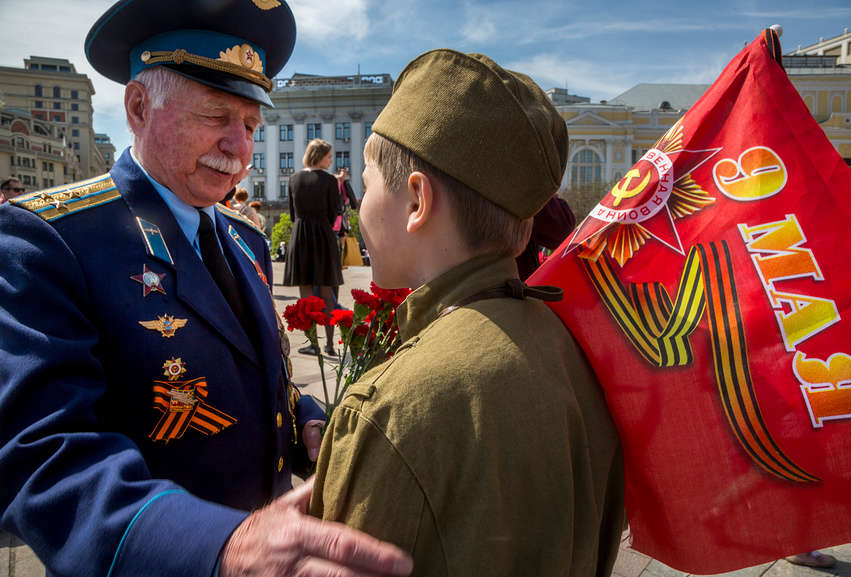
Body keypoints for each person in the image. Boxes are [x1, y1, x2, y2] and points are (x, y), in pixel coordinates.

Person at [0, 2, 412, 576]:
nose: (240, 150)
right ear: (139, 107)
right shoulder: (52, 239)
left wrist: (307, 421)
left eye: (250, 126)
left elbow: (256, 378)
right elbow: (43, 457)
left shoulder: (244, 238)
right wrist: (218, 548)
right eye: (217, 117)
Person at [309, 49, 624, 575]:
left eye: (366, 185)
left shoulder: (390, 411)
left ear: (416, 202)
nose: (358, 206)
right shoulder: (573, 350)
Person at [283, 138, 343, 357]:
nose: (331, 160)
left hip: (301, 237)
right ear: (319, 156)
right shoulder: (329, 180)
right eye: (329, 156)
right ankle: (329, 344)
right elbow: (332, 213)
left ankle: (312, 344)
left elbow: (292, 214)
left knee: (306, 292)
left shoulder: (293, 178)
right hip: (324, 236)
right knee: (326, 292)